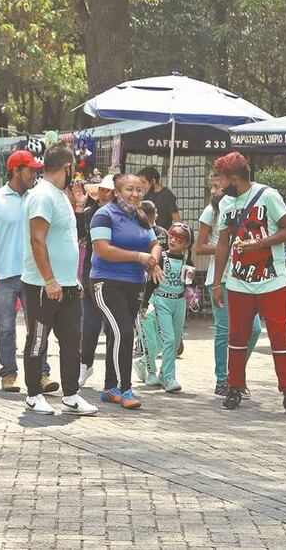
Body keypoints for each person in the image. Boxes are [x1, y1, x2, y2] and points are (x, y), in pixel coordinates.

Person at [211, 152, 286, 415]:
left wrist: (259, 243)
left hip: (273, 281)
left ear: (234, 178)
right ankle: (234, 387)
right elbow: (222, 244)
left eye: (222, 178)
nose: (219, 183)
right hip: (238, 282)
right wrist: (218, 282)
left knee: (280, 338)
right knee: (236, 337)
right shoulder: (227, 203)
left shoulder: (268, 195)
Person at [20, 145, 99, 416]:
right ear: (68, 166)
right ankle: (33, 394)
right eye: (74, 166)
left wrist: (69, 279)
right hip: (43, 285)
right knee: (38, 340)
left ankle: (71, 395)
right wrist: (50, 280)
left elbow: (63, 240)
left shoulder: (60, 195)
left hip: (66, 284)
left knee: (70, 339)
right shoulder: (42, 195)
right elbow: (37, 239)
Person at [0, 150, 57, 394]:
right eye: (30, 169)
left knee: (37, 327)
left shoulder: (38, 198)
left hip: (33, 274)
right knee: (5, 327)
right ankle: (9, 374)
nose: (35, 174)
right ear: (16, 170)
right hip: (4, 275)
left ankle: (42, 374)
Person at [89, 174, 163, 411]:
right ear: (117, 192)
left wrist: (154, 261)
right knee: (124, 331)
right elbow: (102, 249)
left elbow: (155, 244)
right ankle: (125, 388)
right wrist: (138, 257)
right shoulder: (104, 215)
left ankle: (110, 387)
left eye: (139, 190)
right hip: (106, 282)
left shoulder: (140, 216)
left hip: (134, 284)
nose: (135, 194)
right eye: (129, 189)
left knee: (116, 334)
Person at [197, 177, 261, 397]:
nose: (216, 191)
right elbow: (199, 247)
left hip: (244, 277)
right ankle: (222, 380)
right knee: (224, 331)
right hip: (220, 278)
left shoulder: (244, 207)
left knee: (253, 329)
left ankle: (236, 375)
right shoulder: (210, 212)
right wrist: (224, 248)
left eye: (220, 187)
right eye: (213, 187)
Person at [134, 222, 193, 393]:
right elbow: (151, 283)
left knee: (174, 342)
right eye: (171, 235)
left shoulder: (186, 260)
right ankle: (168, 376)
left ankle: (161, 372)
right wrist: (144, 304)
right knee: (168, 339)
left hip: (179, 302)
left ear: (187, 243)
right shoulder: (161, 257)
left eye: (179, 238)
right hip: (162, 300)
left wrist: (190, 279)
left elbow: (189, 285)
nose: (173, 240)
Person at [78, 174, 113, 386]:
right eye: (102, 189)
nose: (105, 193)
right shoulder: (90, 213)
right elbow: (88, 238)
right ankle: (85, 364)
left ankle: (113, 372)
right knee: (89, 324)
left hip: (115, 275)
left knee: (112, 327)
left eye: (108, 190)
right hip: (93, 271)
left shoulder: (122, 215)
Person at [136, 167, 180, 231]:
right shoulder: (147, 196)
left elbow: (177, 221)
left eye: (144, 182)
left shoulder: (167, 195)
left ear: (153, 181)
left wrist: (166, 234)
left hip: (162, 236)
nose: (142, 186)